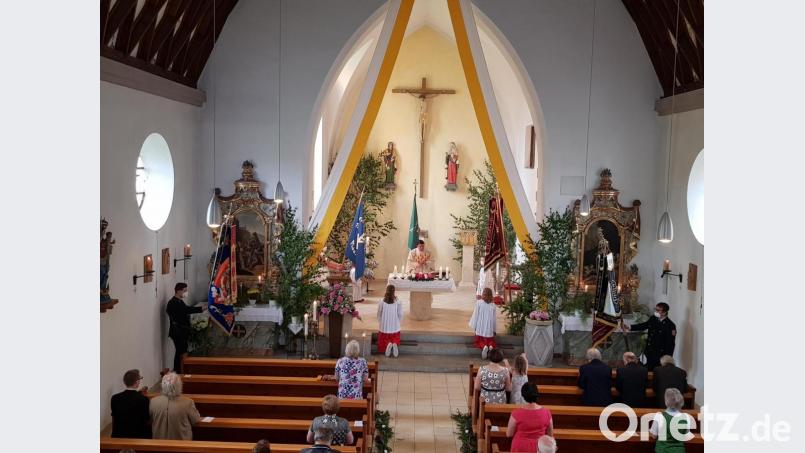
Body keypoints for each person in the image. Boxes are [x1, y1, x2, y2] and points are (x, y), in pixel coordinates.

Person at [623, 302, 677, 370]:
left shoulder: (670, 325)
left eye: (658, 310)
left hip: (660, 355)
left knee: (657, 372)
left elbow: (670, 343)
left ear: (664, 312)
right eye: (655, 309)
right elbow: (644, 325)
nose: (656, 311)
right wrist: (629, 327)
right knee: (649, 370)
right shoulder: (653, 318)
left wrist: (668, 358)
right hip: (650, 351)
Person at [166, 282, 206, 373]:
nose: (186, 292)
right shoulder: (172, 303)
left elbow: (186, 309)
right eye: (185, 291)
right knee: (180, 351)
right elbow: (186, 310)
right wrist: (200, 309)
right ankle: (178, 371)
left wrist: (201, 309)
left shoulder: (179, 301)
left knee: (182, 350)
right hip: (177, 331)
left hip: (181, 330)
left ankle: (181, 369)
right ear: (178, 291)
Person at [149, 372, 201, 440]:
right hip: (181, 442)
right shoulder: (188, 402)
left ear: (162, 385)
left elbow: (150, 420)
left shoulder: (153, 401)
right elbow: (196, 420)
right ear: (179, 386)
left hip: (159, 442)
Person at [506, 382, 553, 452]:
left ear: (523, 395)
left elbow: (509, 434)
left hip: (520, 447)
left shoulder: (516, 413)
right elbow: (550, 435)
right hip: (539, 448)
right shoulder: (547, 412)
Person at [649, 388, 694, 452]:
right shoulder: (686, 417)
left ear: (666, 401)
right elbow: (686, 436)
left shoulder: (659, 416)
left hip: (662, 450)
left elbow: (654, 436)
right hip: (679, 450)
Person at [110, 369, 151, 438]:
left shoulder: (115, 398)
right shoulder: (143, 399)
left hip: (119, 435)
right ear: (137, 382)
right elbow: (146, 419)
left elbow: (115, 416)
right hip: (139, 436)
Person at [470, 288, 498, 359]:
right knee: (490, 340)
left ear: (483, 294)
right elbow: (494, 319)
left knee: (478, 340)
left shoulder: (479, 303)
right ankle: (490, 346)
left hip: (480, 326)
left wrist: (474, 326)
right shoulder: (493, 305)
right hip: (489, 328)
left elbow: (475, 315)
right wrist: (494, 330)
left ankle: (484, 347)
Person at [377, 284, 403, 357]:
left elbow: (379, 313)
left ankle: (387, 345)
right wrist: (398, 322)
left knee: (384, 338)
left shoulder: (381, 301)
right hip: (394, 325)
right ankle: (394, 343)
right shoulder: (398, 301)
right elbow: (400, 314)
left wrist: (380, 321)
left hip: (384, 325)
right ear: (394, 291)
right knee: (395, 336)